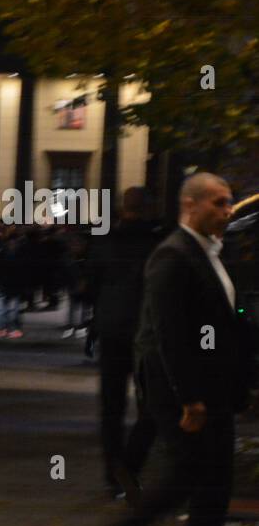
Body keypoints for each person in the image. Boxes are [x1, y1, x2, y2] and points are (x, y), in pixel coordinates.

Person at [92, 173, 257, 526]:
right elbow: (168, 334)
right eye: (218, 203)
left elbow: (224, 325)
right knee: (190, 476)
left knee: (212, 484)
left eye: (228, 203)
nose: (226, 211)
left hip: (212, 391)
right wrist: (189, 398)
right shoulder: (174, 256)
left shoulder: (209, 254)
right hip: (184, 394)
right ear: (190, 205)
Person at [87, 186, 164, 500]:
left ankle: (112, 475)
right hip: (145, 333)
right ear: (148, 208)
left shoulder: (104, 240)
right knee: (153, 406)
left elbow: (90, 285)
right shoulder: (158, 243)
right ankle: (129, 467)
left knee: (111, 408)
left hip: (111, 330)